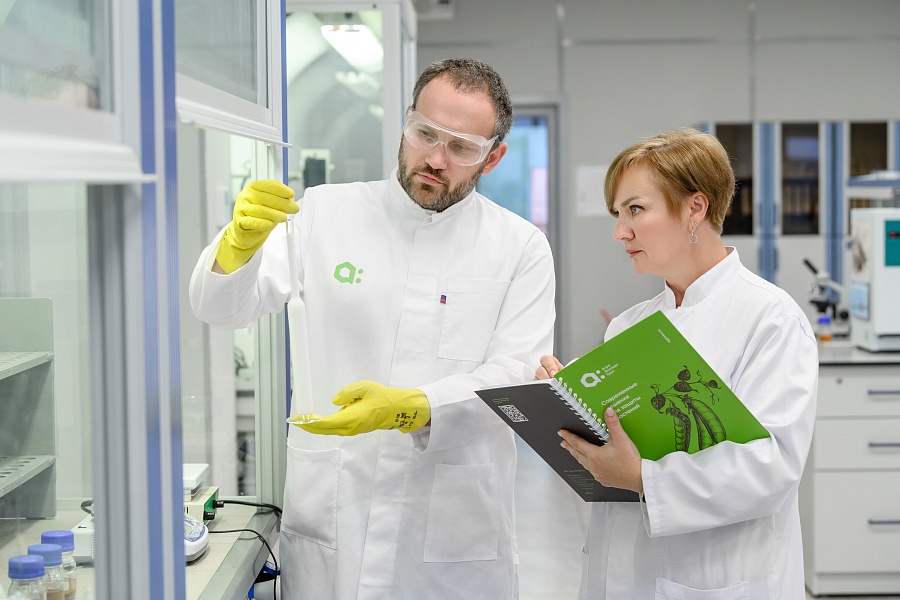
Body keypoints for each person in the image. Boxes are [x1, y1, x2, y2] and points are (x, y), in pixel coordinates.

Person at [190, 58, 556, 599]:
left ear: (494, 157)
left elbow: (516, 378)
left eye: (461, 147)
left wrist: (417, 406)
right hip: (337, 518)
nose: (435, 159)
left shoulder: (520, 247)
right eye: (425, 134)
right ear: (406, 122)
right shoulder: (323, 213)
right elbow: (219, 310)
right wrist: (235, 249)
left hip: (452, 540)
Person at [536, 128, 817, 599]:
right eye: (618, 214)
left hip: (720, 577)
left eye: (635, 209)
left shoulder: (770, 319)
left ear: (695, 208)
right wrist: (565, 405)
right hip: (621, 572)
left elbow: (772, 467)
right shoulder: (629, 326)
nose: (620, 231)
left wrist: (643, 477)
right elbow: (613, 453)